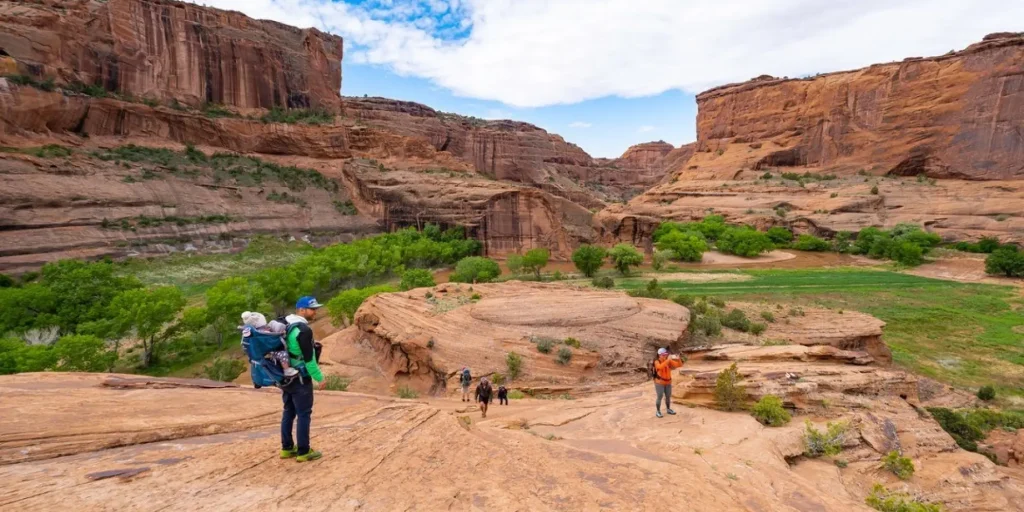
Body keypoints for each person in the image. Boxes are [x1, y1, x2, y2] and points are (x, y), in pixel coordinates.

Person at [279, 296, 326, 462]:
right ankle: (304, 451)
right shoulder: (303, 330)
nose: (315, 312)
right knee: (304, 414)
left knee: (288, 411)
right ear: (301, 310)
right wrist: (320, 378)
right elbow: (309, 359)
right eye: (312, 309)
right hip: (300, 378)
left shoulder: (285, 324)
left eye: (315, 308)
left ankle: (287, 448)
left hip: (285, 376)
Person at [241, 311, 297, 377]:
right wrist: (281, 333)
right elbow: (271, 336)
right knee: (283, 354)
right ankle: (287, 370)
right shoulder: (262, 333)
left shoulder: (253, 333)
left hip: (262, 352)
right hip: (270, 351)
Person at [653, 347, 683, 418]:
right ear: (659, 355)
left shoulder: (668, 361)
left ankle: (668, 409)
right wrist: (668, 360)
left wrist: (678, 359)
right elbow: (660, 367)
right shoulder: (657, 361)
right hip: (659, 382)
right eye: (663, 355)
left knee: (668, 397)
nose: (665, 356)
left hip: (668, 382)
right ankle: (658, 411)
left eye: (665, 354)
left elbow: (679, 365)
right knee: (659, 397)